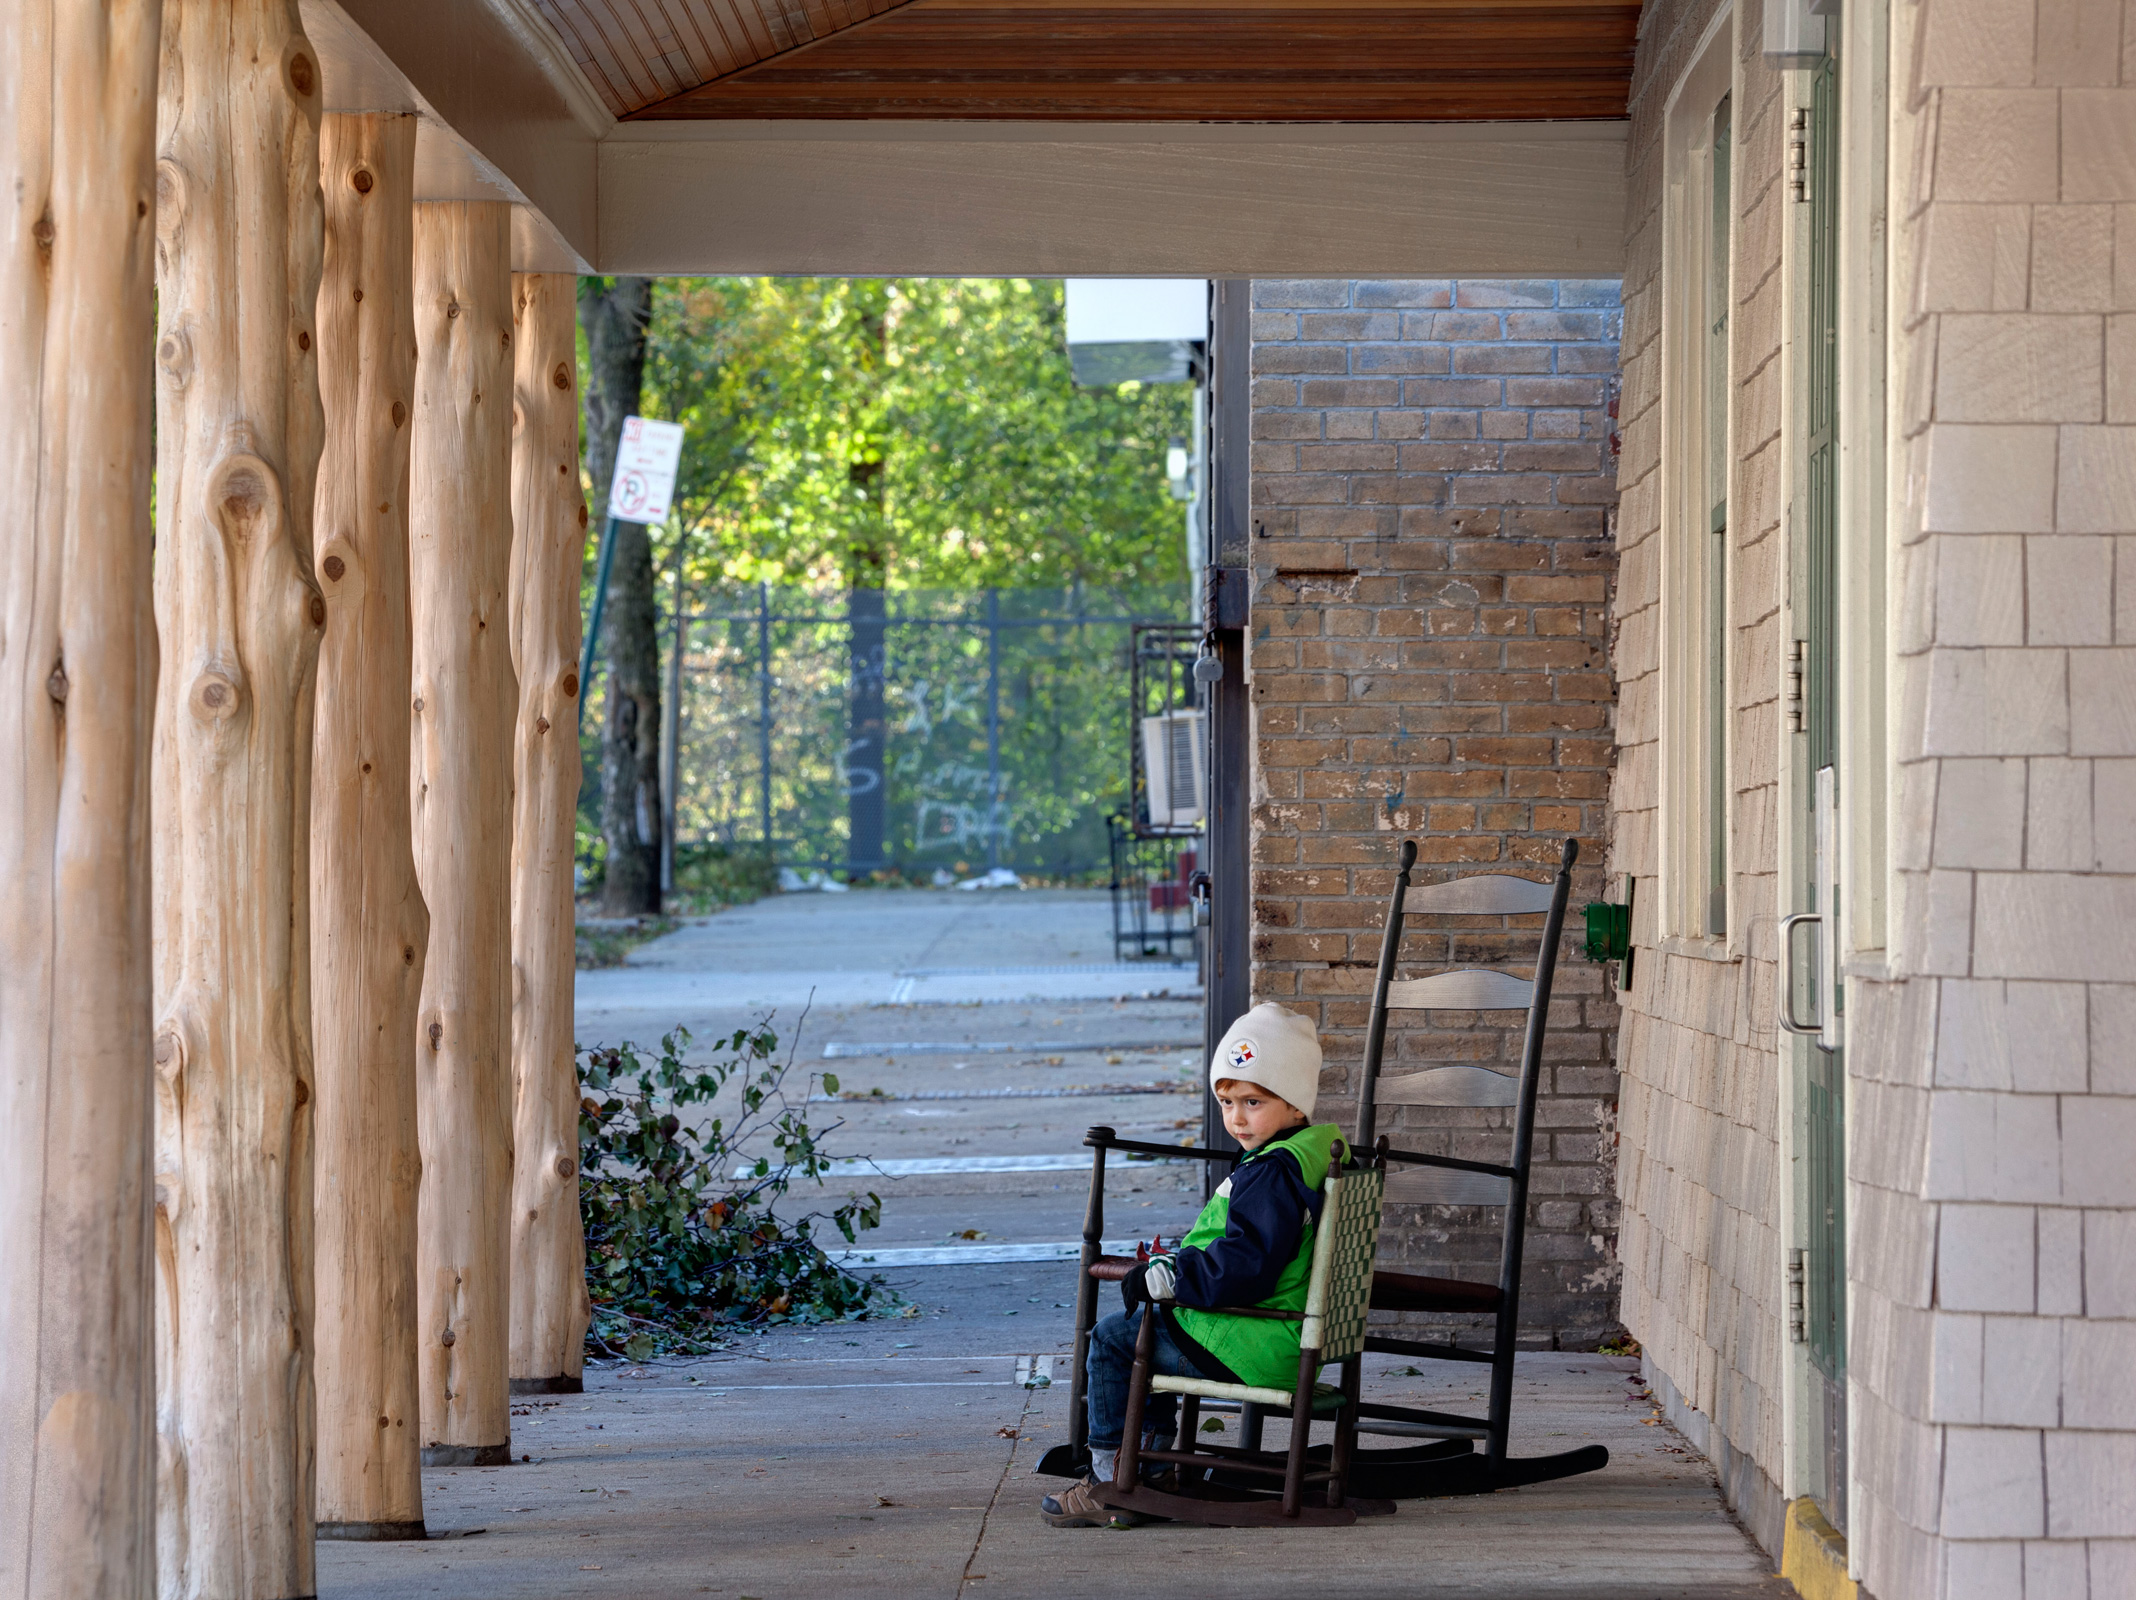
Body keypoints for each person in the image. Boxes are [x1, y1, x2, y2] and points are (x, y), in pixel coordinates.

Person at [1040, 1001, 1344, 1528]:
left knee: (1113, 1340)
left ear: (1296, 1105)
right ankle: (1148, 1467)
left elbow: (1249, 1264)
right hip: (1282, 1337)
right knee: (1142, 1332)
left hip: (1251, 1341)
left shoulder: (1273, 1173)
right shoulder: (1314, 1155)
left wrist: (1175, 1278)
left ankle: (1113, 1481)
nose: (1237, 1118)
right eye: (1227, 1103)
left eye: (1253, 1101)